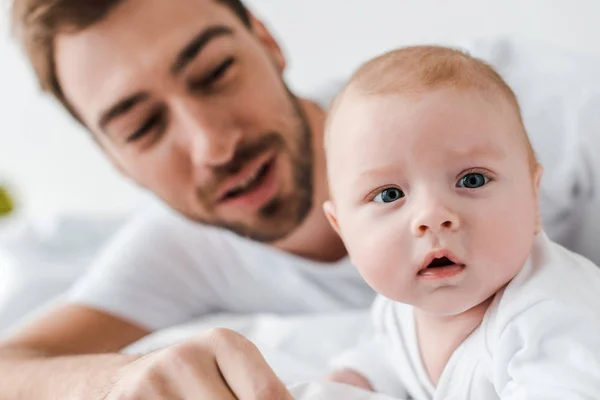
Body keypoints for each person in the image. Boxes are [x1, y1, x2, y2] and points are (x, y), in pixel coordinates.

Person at [1, 0, 598, 398]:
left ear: (267, 42)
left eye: (214, 73)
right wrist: (118, 379)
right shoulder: (181, 250)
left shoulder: (537, 112)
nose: (213, 145)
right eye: (142, 128)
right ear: (114, 159)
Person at [322, 45, 600, 399]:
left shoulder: (552, 315)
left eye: (472, 180)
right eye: (389, 195)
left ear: (533, 201)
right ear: (342, 229)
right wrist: (345, 383)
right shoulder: (399, 309)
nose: (433, 216)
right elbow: (384, 360)